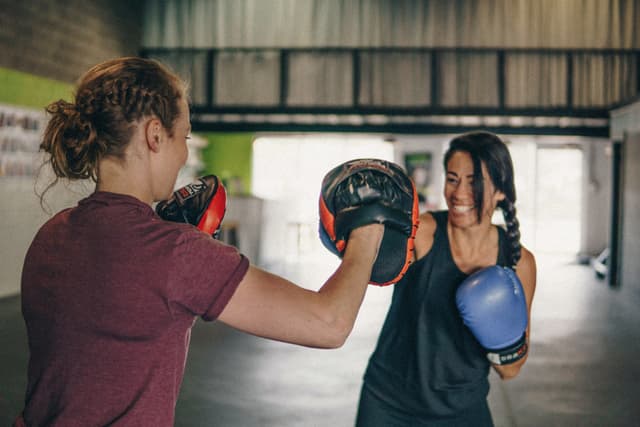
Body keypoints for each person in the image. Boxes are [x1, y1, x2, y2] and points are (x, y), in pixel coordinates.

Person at [15, 57, 385, 427]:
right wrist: (368, 229)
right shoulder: (174, 252)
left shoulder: (52, 234)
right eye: (185, 136)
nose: (184, 154)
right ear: (155, 135)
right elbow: (328, 323)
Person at [355, 131, 537, 426]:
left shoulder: (519, 262)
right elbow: (368, 256)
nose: (459, 193)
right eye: (453, 179)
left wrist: (496, 328)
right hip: (389, 402)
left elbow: (510, 369)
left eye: (474, 182)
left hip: (463, 407)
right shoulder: (423, 232)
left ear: (501, 191)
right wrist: (362, 222)